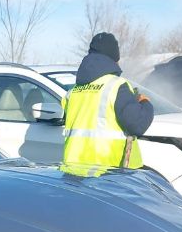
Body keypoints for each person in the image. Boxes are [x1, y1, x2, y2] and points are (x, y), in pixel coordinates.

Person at [62, 32, 154, 170]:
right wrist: (145, 103)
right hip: (108, 171)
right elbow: (137, 124)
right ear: (115, 59)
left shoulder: (73, 91)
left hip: (73, 169)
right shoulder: (116, 86)